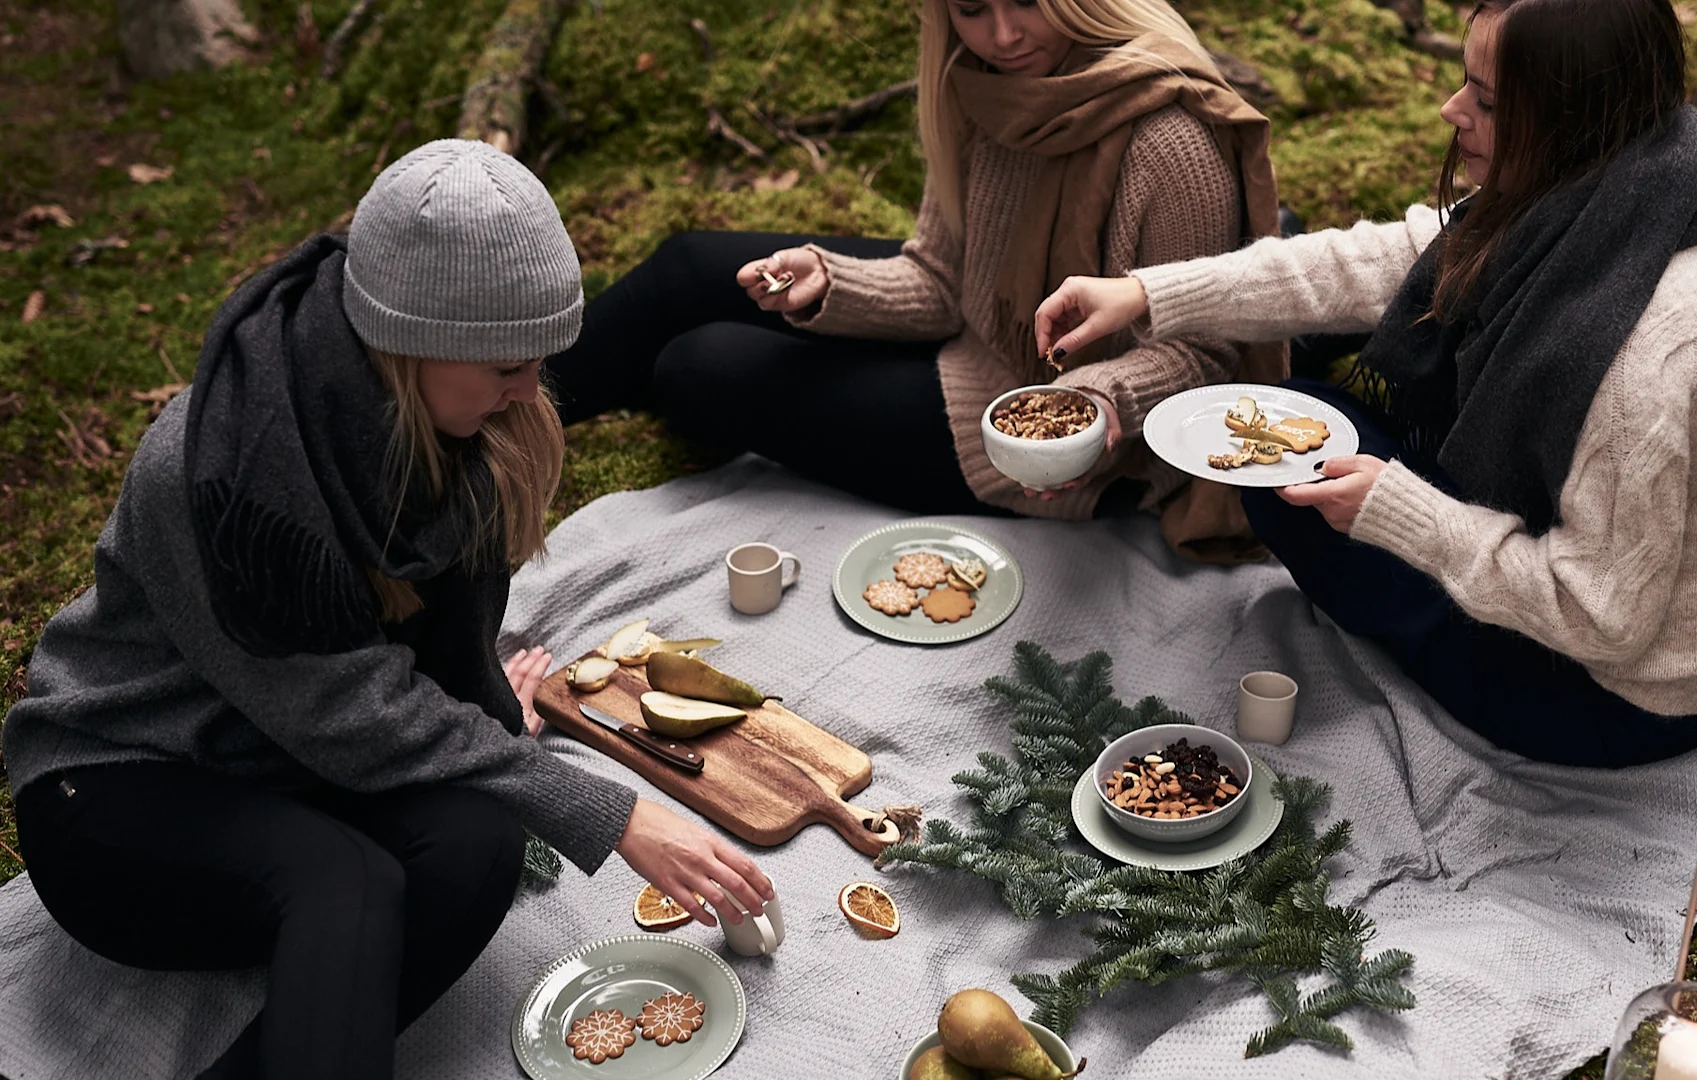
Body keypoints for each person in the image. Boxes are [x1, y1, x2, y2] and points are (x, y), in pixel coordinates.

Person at [3, 140, 770, 1079]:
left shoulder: (470, 422)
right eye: (504, 367)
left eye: (536, 360)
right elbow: (344, 711)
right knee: (347, 881)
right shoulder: (224, 478)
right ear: (409, 343)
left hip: (282, 765)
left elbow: (431, 665)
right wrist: (610, 816)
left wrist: (488, 718)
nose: (532, 391)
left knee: (479, 843)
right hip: (121, 787)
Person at [1033, 0, 1697, 767]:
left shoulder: (1644, 362)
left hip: (1641, 693)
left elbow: (1606, 619)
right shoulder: (1651, 185)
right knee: (1311, 378)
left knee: (1283, 478)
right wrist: (1148, 295)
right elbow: (1389, 262)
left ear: (1570, 116)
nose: (1452, 111)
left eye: (1485, 101)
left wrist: (1402, 514)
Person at [543, 0, 1285, 561]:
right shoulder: (981, 87)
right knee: (687, 264)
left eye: (1026, 1)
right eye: (970, 8)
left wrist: (1095, 401)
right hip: (981, 332)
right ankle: (490, 415)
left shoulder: (1172, 138)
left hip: (1057, 431)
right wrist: (829, 285)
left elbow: (1205, 361)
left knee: (694, 369)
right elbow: (941, 281)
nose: (1002, 35)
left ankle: (502, 420)